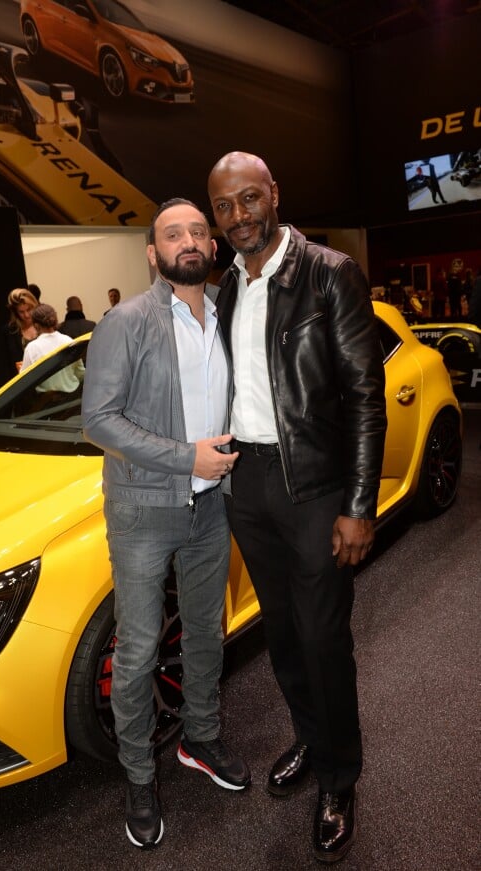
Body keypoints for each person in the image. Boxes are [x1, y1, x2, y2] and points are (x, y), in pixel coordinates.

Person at [207, 152, 387, 865]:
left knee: (322, 639)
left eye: (250, 198)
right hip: (247, 486)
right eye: (225, 205)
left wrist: (359, 503)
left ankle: (340, 778)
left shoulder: (329, 272)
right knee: (281, 636)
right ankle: (312, 741)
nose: (240, 214)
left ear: (274, 194)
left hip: (315, 487)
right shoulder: (227, 284)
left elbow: (365, 397)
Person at [82, 198, 250, 850]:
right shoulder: (126, 322)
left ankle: (200, 739)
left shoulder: (228, 317)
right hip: (143, 512)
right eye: (173, 234)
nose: (189, 241)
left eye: (198, 231)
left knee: (207, 632)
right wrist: (188, 457)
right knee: (140, 649)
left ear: (212, 246)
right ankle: (139, 775)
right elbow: (99, 420)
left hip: (212, 506)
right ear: (153, 253)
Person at [3, 287, 39, 378]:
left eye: (29, 310)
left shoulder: (44, 324)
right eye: (21, 312)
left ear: (35, 306)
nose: (26, 315)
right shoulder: (11, 331)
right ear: (15, 312)